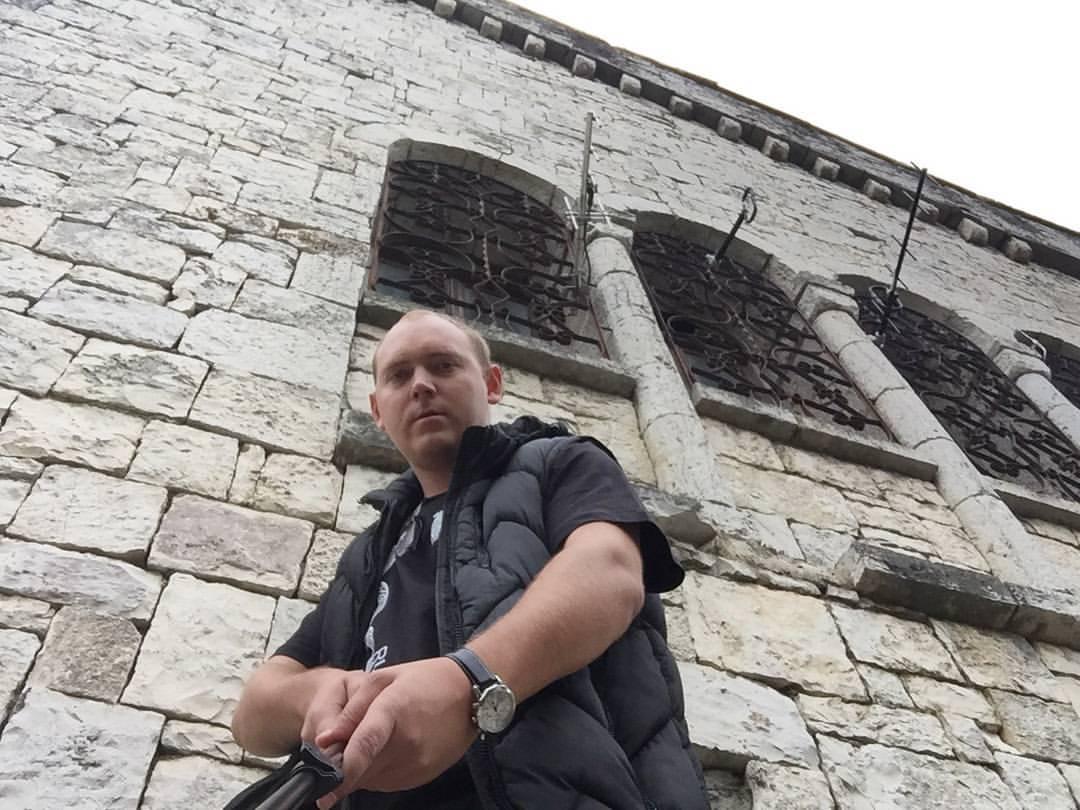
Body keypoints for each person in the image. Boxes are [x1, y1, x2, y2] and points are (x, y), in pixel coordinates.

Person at [232, 309, 708, 810]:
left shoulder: (561, 461)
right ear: (377, 409)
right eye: (399, 375)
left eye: (443, 365)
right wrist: (319, 694)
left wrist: (469, 683)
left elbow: (611, 571)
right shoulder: (365, 557)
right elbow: (252, 717)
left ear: (492, 383)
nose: (421, 385)